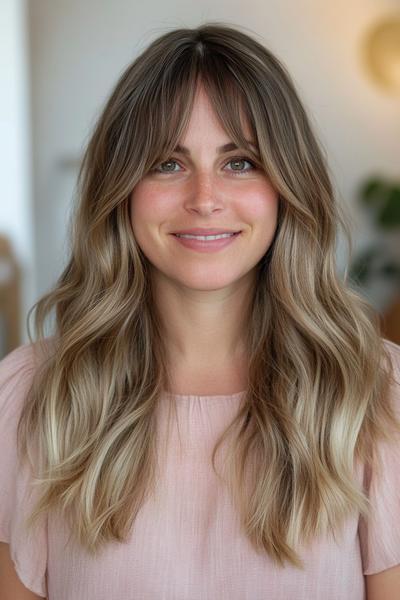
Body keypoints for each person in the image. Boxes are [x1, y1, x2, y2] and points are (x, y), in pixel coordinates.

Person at [0, 22, 399, 600]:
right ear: (122, 188)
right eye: (168, 162)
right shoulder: (31, 397)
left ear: (288, 185)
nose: (205, 197)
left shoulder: (376, 395)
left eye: (239, 162)